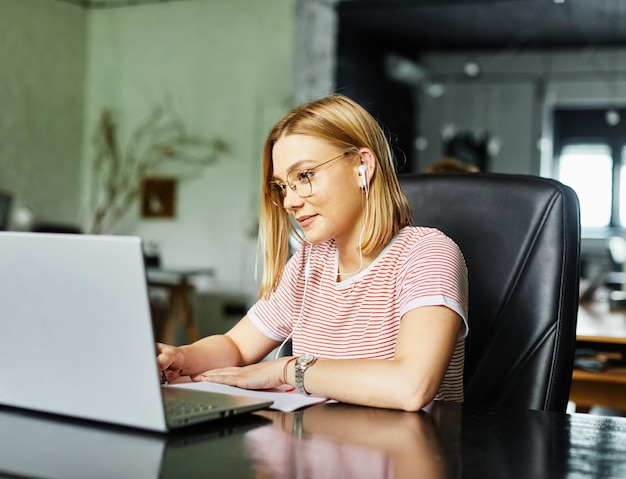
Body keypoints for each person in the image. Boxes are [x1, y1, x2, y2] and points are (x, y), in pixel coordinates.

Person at [157, 94, 468, 411]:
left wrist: (287, 370)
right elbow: (236, 346)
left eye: (304, 176)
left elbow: (411, 386)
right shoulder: (309, 262)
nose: (290, 202)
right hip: (312, 446)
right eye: (282, 186)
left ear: (362, 165)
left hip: (402, 452)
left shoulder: (426, 252)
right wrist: (181, 357)